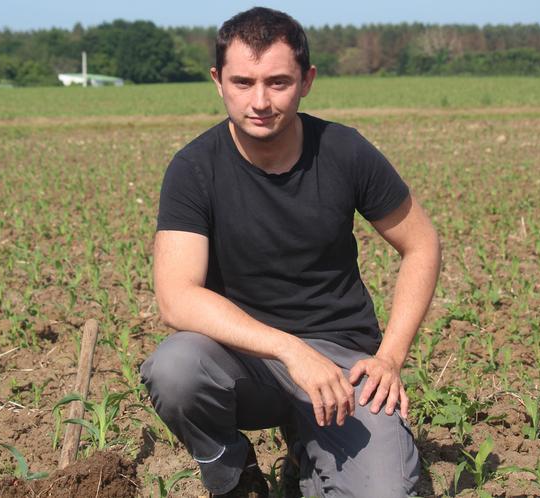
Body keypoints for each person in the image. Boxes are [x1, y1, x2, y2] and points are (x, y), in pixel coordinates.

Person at [140, 7, 441, 498]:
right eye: (243, 82)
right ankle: (233, 478)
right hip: (243, 358)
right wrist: (288, 349)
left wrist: (390, 357)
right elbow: (176, 297)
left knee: (383, 492)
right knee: (176, 368)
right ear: (218, 81)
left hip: (343, 364)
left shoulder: (344, 151)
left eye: (278, 82)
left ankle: (309, 453)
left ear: (307, 81)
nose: (259, 101)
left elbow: (422, 243)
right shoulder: (194, 168)